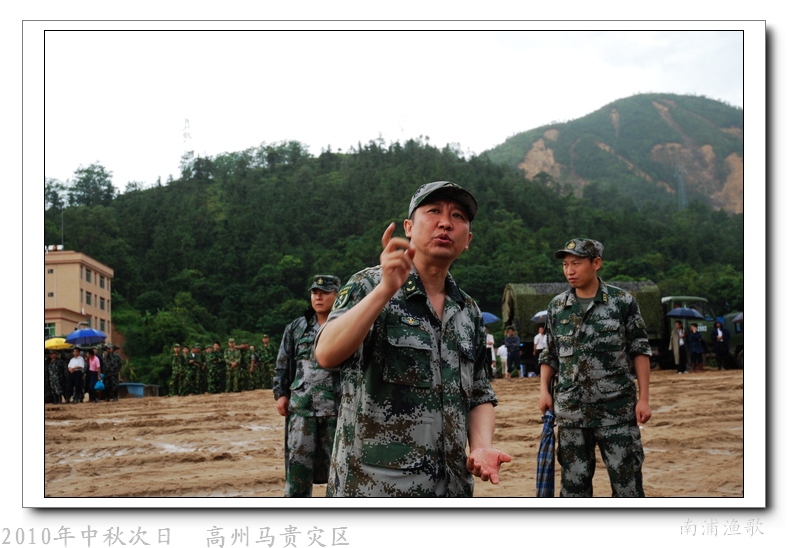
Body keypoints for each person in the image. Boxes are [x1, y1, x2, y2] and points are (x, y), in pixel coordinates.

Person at [314, 181, 510, 497]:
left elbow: (479, 393)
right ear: (408, 227)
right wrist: (385, 290)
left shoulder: (468, 311)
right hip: (375, 490)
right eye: (434, 211)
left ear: (468, 240)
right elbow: (326, 353)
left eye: (458, 216)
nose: (446, 222)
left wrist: (482, 446)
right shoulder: (369, 285)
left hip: (451, 489)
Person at [539, 238, 652, 497]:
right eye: (566, 265)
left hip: (616, 411)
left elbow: (640, 350)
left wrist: (644, 399)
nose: (569, 271)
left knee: (628, 487)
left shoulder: (622, 302)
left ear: (596, 263)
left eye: (576, 263)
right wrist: (544, 391)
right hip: (571, 413)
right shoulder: (557, 306)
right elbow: (550, 353)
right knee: (573, 489)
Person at [273, 275, 342, 497]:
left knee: (340, 470)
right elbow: (283, 364)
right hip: (302, 409)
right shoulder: (296, 328)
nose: (318, 297)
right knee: (298, 468)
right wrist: (281, 394)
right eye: (315, 293)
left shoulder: (346, 325)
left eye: (325, 292)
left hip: (337, 410)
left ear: (337, 295)